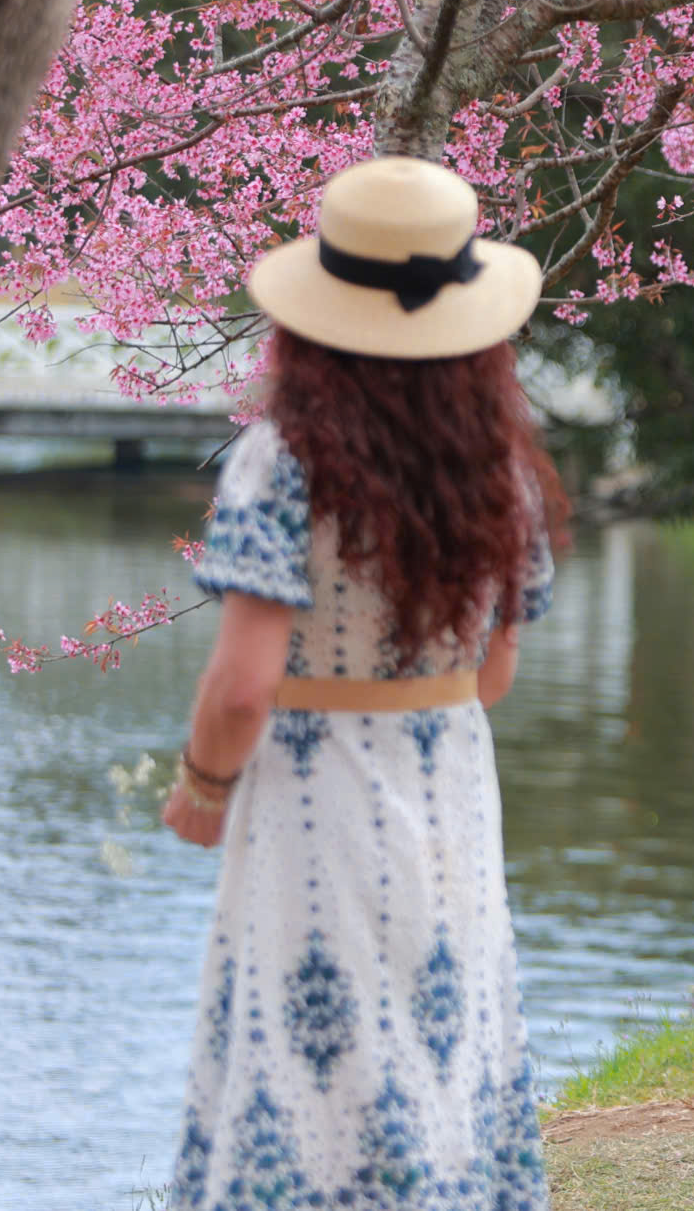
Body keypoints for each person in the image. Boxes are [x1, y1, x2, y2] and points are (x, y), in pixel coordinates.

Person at [159, 157, 568, 1208]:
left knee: (303, 1054)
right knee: (442, 1049)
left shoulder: (280, 460)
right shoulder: (506, 472)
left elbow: (244, 681)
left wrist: (203, 784)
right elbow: (496, 672)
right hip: (450, 792)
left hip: (313, 795)